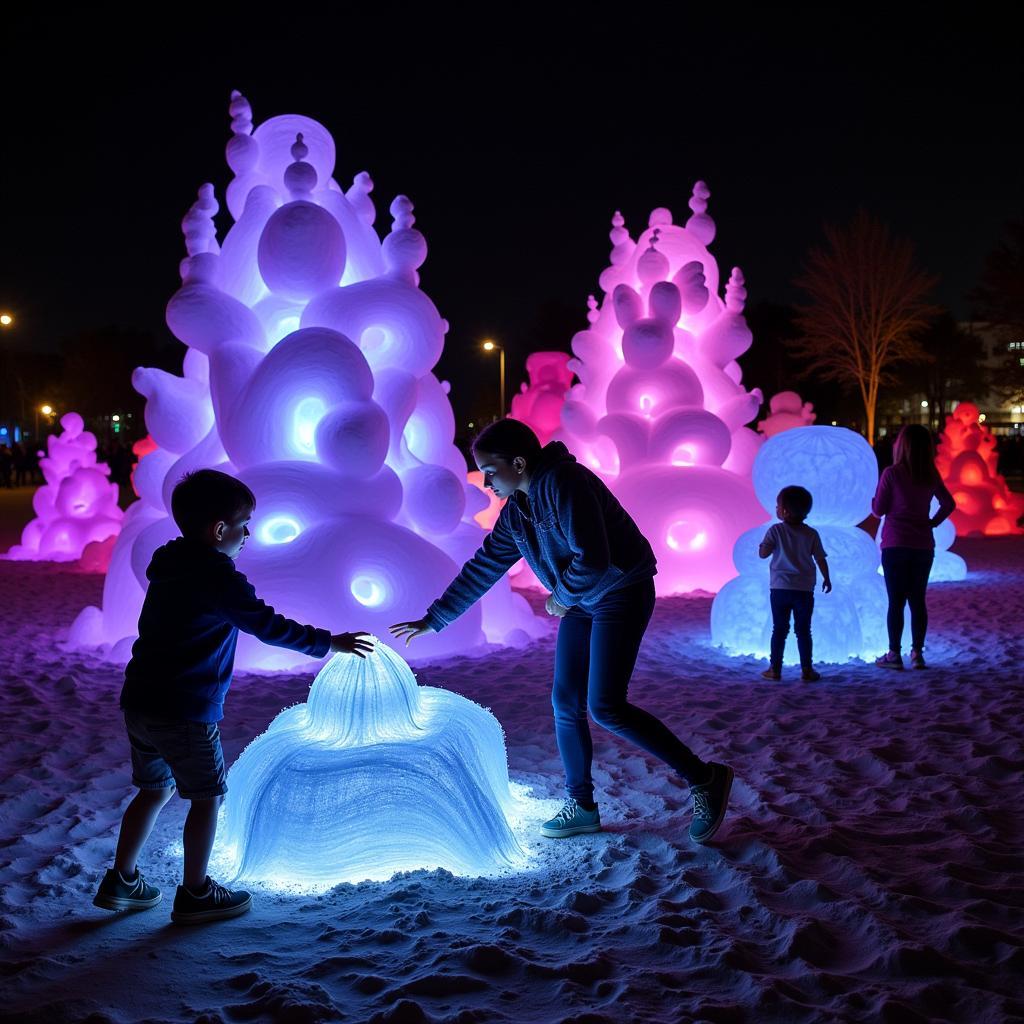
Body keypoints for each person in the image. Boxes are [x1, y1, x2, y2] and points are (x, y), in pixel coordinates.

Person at [390, 420, 733, 845]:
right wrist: (436, 618)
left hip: (619, 591)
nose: (487, 480)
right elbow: (484, 565)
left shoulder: (564, 482)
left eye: (491, 470)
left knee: (606, 706)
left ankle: (704, 778)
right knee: (565, 702)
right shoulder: (518, 511)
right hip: (582, 599)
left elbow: (595, 558)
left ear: (518, 462)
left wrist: (560, 598)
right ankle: (583, 806)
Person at [93, 469, 374, 923]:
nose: (250, 533)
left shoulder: (171, 564)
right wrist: (329, 643)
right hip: (185, 709)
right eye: (245, 523)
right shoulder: (216, 577)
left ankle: (121, 879)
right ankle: (197, 892)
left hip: (141, 700)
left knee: (153, 790)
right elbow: (266, 624)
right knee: (206, 796)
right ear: (220, 530)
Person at [872, 424, 955, 670]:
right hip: (922, 544)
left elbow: (879, 510)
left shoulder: (892, 473)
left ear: (902, 446)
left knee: (895, 601)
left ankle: (894, 654)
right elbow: (948, 503)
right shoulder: (930, 474)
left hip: (896, 543)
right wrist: (932, 522)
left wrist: (873, 500)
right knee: (918, 600)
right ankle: (917, 653)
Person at [758, 485, 832, 682]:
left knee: (779, 629)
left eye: (777, 505)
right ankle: (807, 669)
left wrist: (763, 545)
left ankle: (775, 669)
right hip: (804, 589)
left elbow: (763, 554)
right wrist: (827, 578)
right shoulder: (811, 534)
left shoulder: (775, 531)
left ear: (784, 511)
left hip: (780, 588)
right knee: (803, 630)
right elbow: (820, 558)